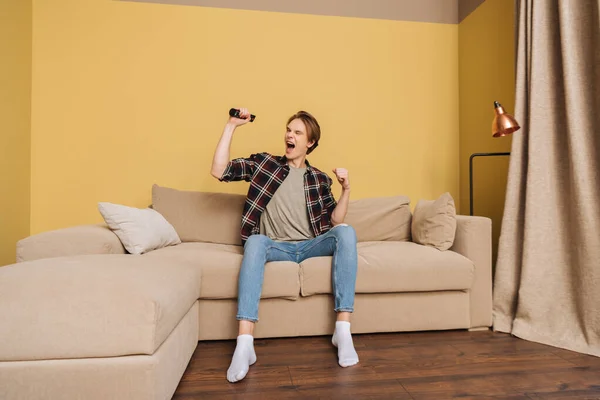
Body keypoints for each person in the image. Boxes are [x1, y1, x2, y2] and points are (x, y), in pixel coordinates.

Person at [210, 108, 359, 383]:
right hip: (275, 247)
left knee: (346, 232)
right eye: (288, 130)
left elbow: (334, 220)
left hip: (309, 246)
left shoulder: (319, 179)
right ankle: (244, 344)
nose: (289, 135)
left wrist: (346, 189)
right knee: (254, 241)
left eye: (297, 132)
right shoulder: (265, 164)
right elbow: (219, 170)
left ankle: (343, 330)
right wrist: (231, 126)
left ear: (310, 143)